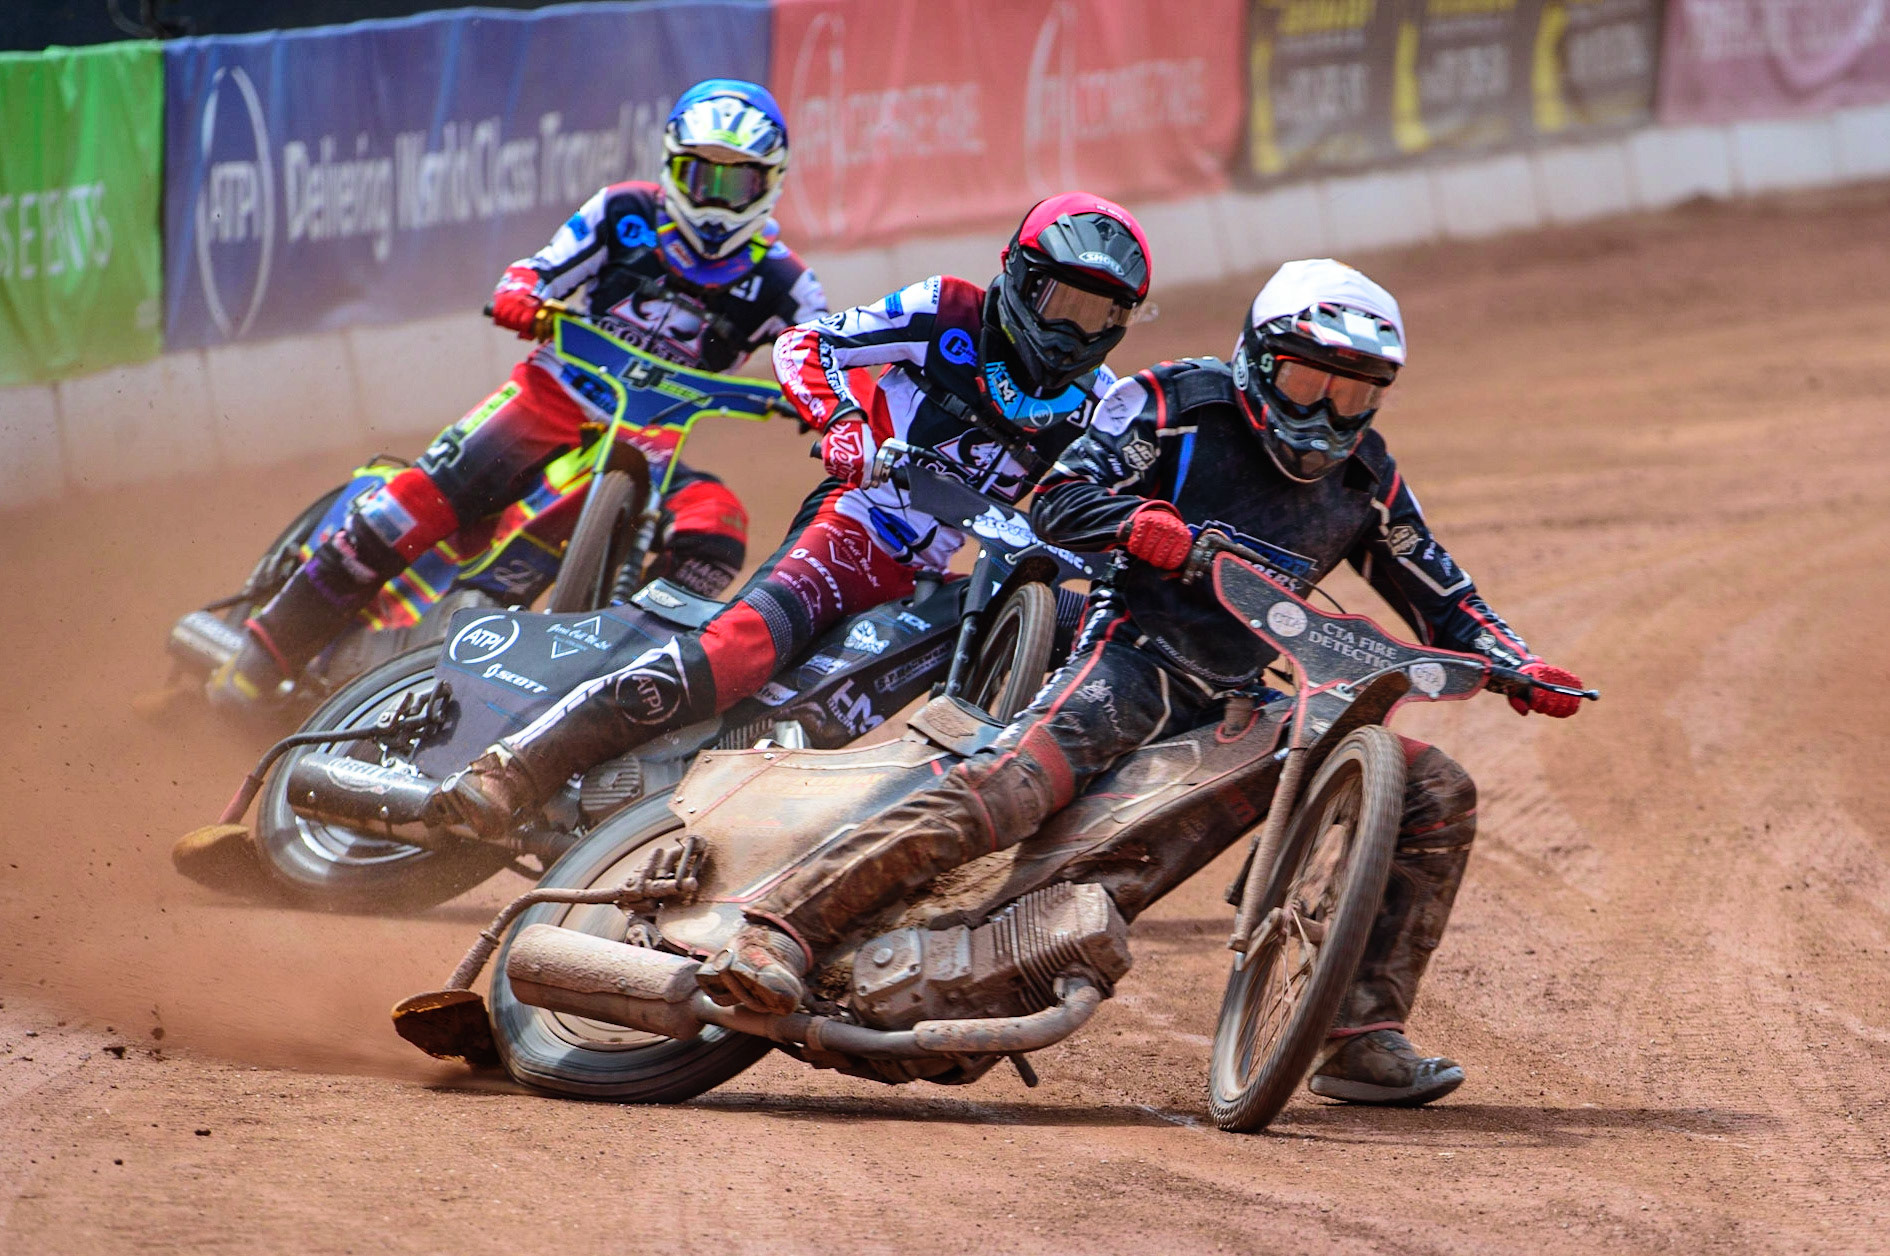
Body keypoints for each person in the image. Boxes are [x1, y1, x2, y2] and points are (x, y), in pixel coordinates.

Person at [694, 258, 1586, 1108]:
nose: (1327, 413)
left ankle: (1359, 1037)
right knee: (1004, 793)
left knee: (1434, 787)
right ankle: (779, 925)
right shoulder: (1172, 403)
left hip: (1245, 694)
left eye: (1354, 393)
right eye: (1310, 382)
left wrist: (1517, 662)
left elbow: (1441, 590)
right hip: (1128, 656)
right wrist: (1143, 524)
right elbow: (1056, 499)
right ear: (1259, 357)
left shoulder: (1366, 476)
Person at [428, 193, 1154, 838]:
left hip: (936, 574)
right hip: (856, 525)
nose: (1074, 330)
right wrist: (841, 420)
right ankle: (516, 765)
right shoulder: (946, 311)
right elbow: (808, 342)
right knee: (739, 651)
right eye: (1065, 302)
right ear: (1022, 278)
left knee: (824, 719)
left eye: (1099, 314)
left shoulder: (1103, 405)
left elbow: (1104, 502)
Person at [210, 79, 823, 707]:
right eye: (701, 176)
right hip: (548, 399)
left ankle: (626, 679)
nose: (716, 200)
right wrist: (522, 296)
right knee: (413, 504)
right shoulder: (623, 212)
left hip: (653, 448)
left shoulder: (786, 283)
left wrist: (831, 403)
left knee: (718, 527)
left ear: (769, 181)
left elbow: (828, 352)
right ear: (671, 165)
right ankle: (262, 655)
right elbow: (537, 268)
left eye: (737, 181)